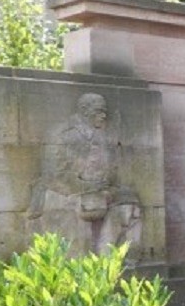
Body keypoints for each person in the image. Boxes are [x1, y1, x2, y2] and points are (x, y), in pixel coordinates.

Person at [27, 93, 140, 255]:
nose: (103, 116)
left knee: (129, 205)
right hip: (63, 194)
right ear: (84, 110)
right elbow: (53, 175)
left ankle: (109, 260)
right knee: (74, 230)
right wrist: (87, 187)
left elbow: (109, 169)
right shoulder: (62, 134)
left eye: (105, 112)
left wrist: (106, 187)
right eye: (99, 111)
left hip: (97, 193)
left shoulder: (102, 134)